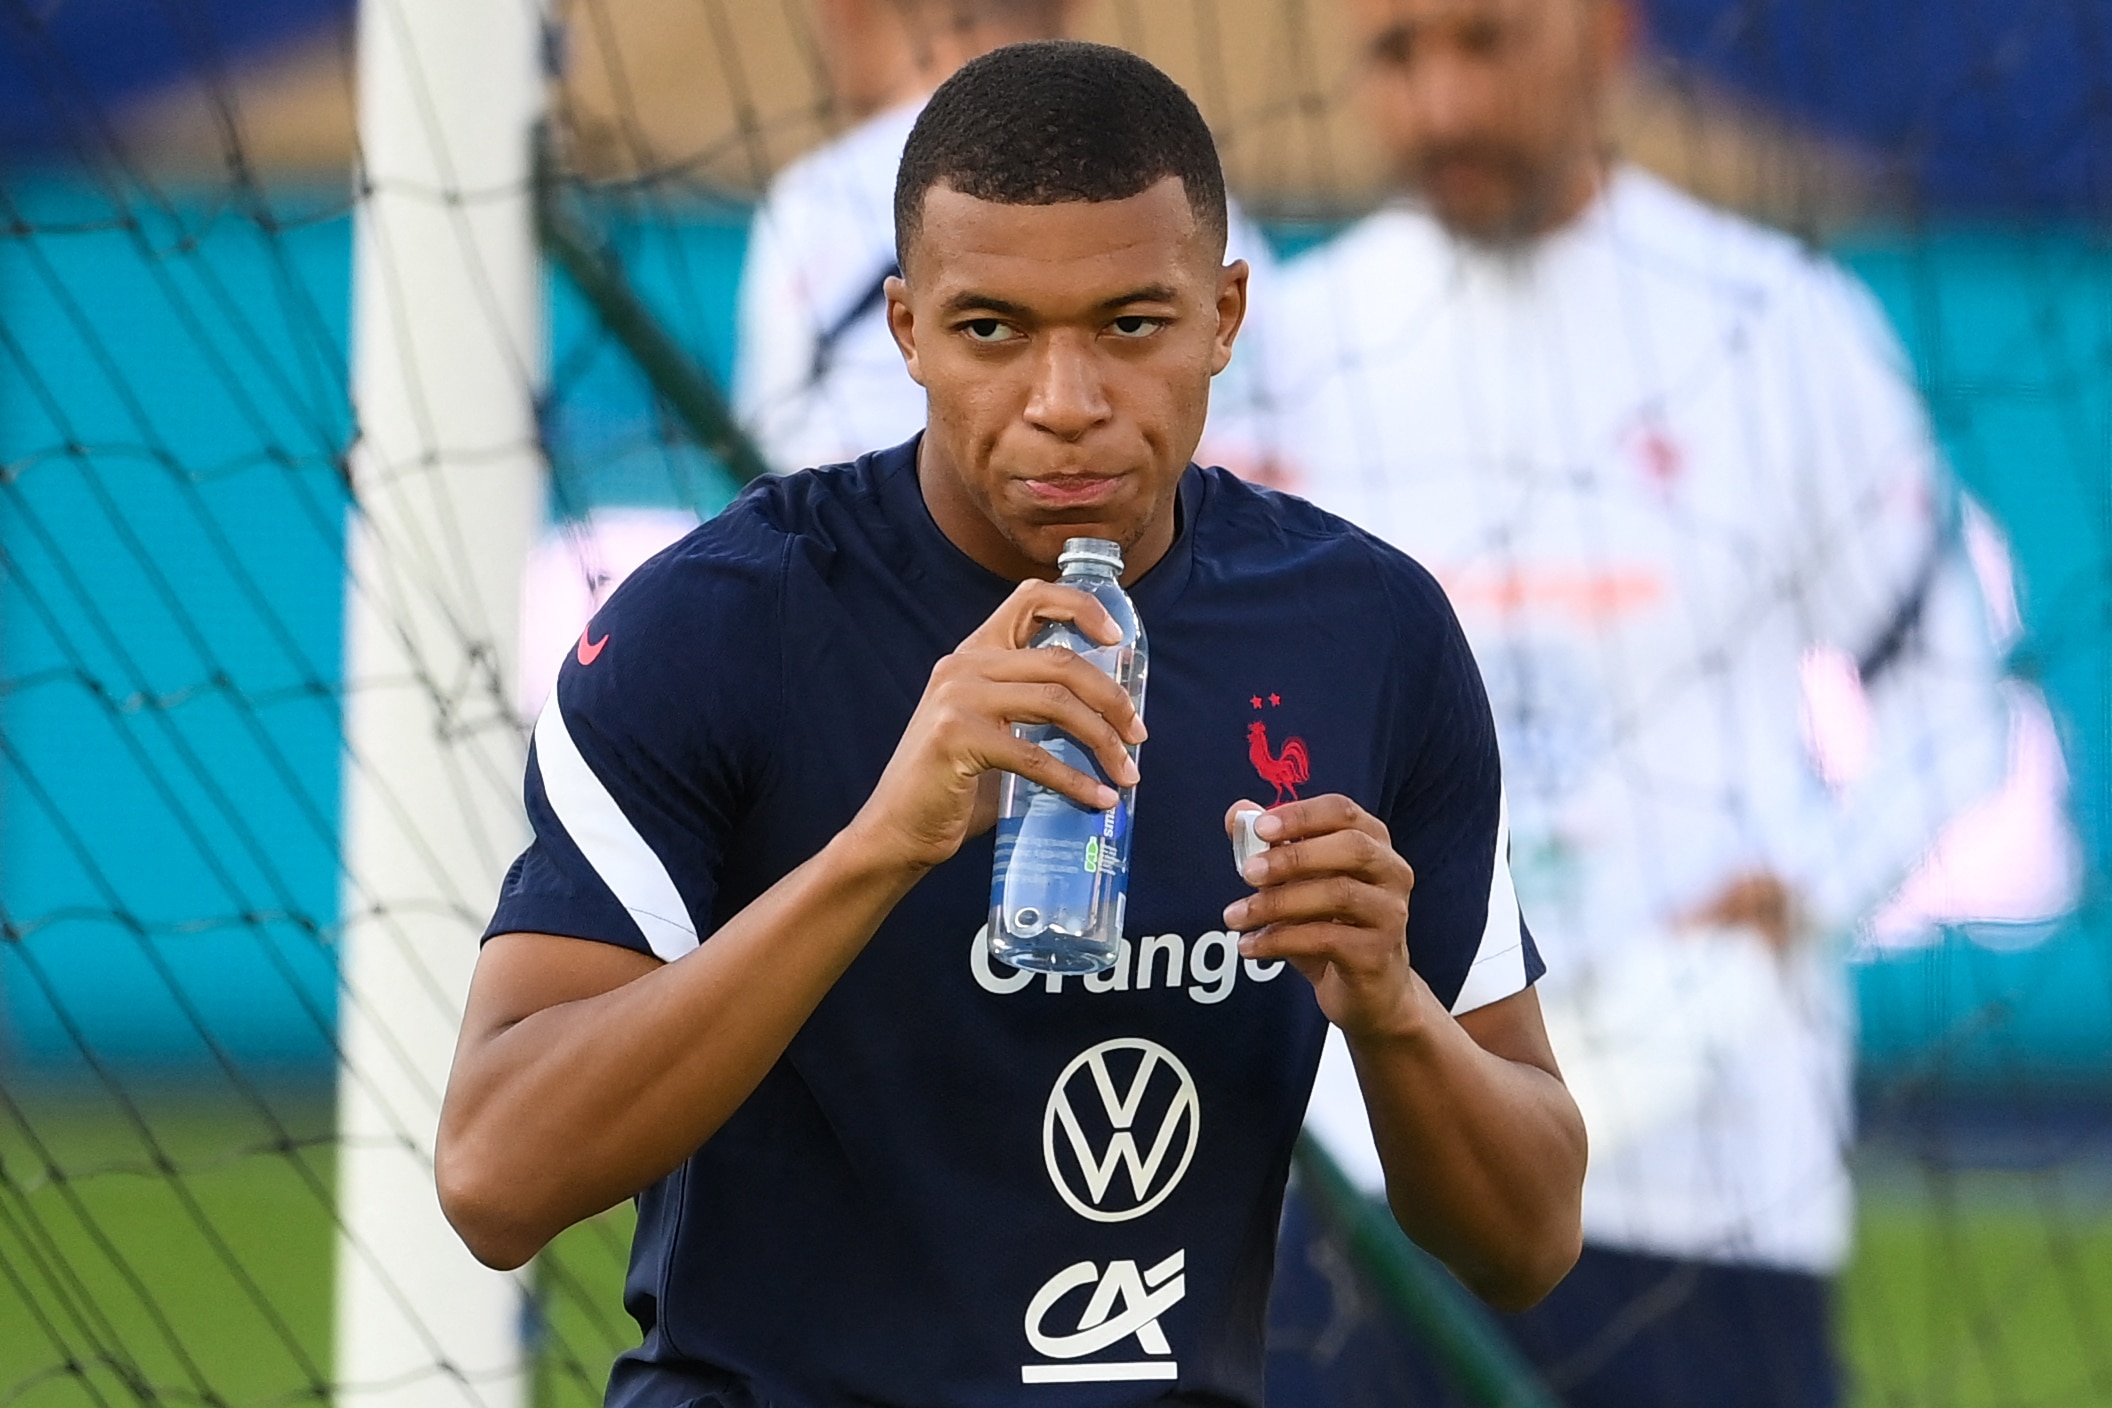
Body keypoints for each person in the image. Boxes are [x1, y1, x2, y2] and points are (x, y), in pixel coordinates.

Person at [437, 40, 1584, 1408]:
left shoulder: (1364, 632)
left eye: (1130, 325)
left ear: (1224, 316)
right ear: (906, 328)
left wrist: (1395, 1014)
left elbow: (1527, 1239)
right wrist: (879, 847)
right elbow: (494, 1179)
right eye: (993, 330)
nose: (1066, 401)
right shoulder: (720, 626)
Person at [1271, 2, 2039, 1405]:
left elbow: (1950, 698)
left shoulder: (1779, 325)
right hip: (1365, 1177)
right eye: (1395, 56)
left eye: (1483, 43)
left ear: (1606, 34)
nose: (1441, 105)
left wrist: (1803, 884)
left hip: (1711, 1185)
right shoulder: (1288, 347)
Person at [733, 0, 1284, 481]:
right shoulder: (1182, 199)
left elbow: (773, 447)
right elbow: (1259, 464)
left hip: (871, 576)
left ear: (843, 8)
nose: (1062, 407)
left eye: (1130, 324)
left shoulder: (816, 199)